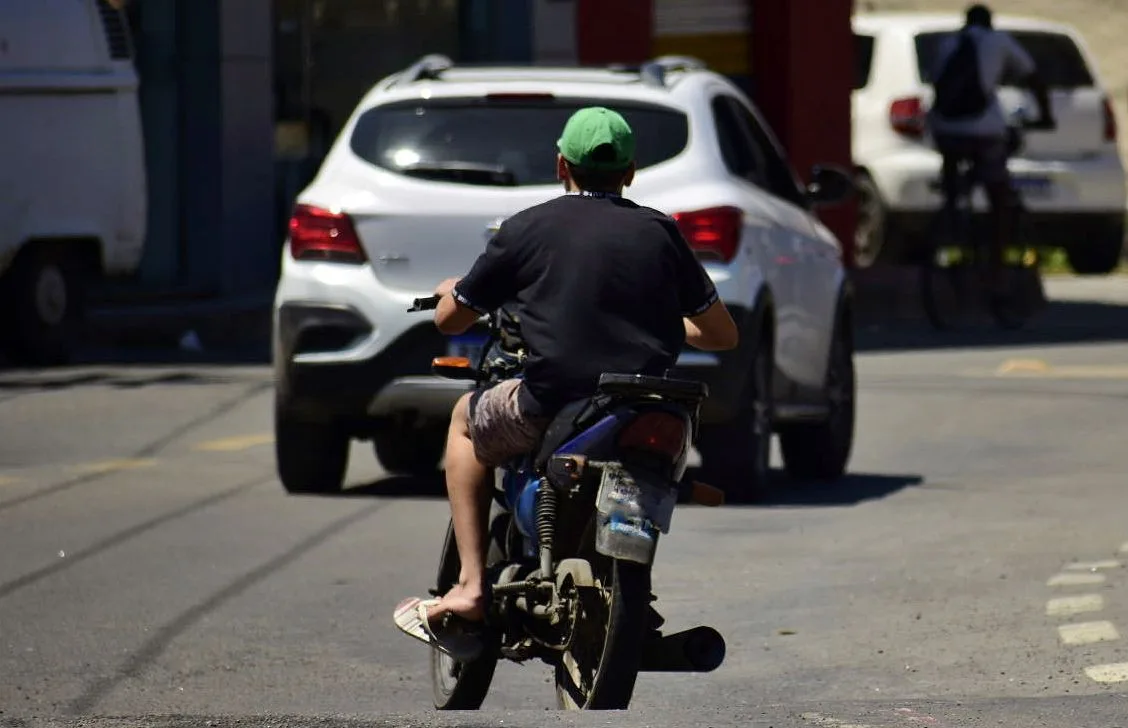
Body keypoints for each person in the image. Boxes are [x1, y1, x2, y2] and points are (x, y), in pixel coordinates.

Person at [393, 106, 739, 655]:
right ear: (630, 172)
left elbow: (449, 320)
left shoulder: (527, 227)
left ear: (561, 165)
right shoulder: (660, 232)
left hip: (550, 401)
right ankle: (632, 599)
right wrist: (655, 320)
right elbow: (720, 334)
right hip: (643, 405)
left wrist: (452, 289)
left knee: (464, 422)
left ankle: (470, 586)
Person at [926, 3, 1056, 294]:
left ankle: (950, 213)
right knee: (999, 196)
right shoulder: (998, 41)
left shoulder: (947, 42)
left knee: (953, 168)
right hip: (983, 130)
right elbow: (1034, 78)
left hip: (944, 127)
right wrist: (1046, 116)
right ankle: (996, 270)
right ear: (990, 23)